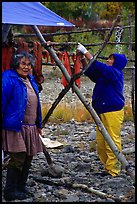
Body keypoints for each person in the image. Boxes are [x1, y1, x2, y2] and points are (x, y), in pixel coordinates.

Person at [76, 43, 128, 177]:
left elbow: (99, 66)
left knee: (112, 140)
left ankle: (114, 170)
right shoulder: (106, 75)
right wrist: (82, 59)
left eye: (111, 59)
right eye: (109, 59)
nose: (108, 61)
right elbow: (92, 71)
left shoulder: (115, 73)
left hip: (113, 111)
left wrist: (86, 52)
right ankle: (107, 167)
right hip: (101, 110)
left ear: (117, 63)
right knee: (101, 141)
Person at [2, 51, 43, 201]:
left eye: (28, 64)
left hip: (30, 127)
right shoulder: (8, 78)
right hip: (15, 127)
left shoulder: (31, 80)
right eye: (23, 64)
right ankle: (10, 191)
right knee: (17, 158)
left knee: (28, 157)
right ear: (16, 65)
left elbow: (37, 105)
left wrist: (39, 124)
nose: (26, 67)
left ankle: (21, 187)